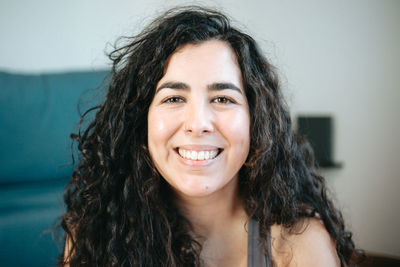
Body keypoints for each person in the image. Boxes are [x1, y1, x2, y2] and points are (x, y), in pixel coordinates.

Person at [60, 6, 362, 267]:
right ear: (141, 121)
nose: (198, 124)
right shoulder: (94, 234)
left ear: (256, 121)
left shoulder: (300, 246)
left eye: (222, 99)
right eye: (174, 99)